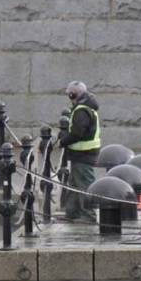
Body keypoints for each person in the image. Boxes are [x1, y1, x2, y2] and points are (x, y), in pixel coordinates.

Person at [59, 80, 101, 223]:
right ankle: (72, 213)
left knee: (84, 185)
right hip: (81, 154)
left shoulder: (82, 110)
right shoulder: (85, 107)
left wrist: (62, 141)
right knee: (75, 184)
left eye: (69, 94)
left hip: (84, 154)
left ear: (73, 94)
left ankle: (88, 215)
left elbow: (77, 133)